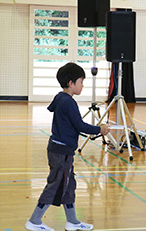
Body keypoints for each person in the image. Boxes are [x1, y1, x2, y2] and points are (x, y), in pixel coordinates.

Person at [25, 62, 110, 231]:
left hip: (60, 150)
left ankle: (72, 221)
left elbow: (52, 109)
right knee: (55, 185)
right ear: (71, 83)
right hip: (61, 152)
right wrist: (100, 129)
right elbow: (80, 125)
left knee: (69, 185)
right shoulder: (69, 103)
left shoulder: (60, 97)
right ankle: (34, 220)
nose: (82, 86)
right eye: (81, 82)